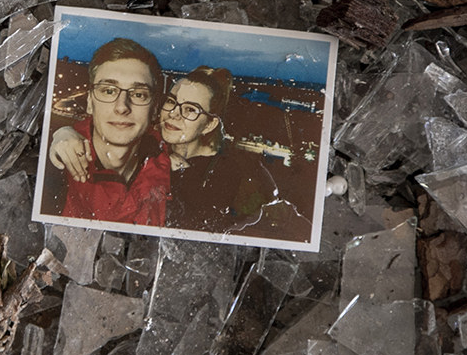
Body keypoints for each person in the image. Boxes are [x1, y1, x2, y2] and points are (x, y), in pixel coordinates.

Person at [52, 67, 299, 239]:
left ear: (211, 124)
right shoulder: (149, 145)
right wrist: (64, 133)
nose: (175, 114)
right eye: (171, 102)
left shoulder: (234, 173)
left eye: (191, 109)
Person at [42, 37, 170, 229]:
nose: (122, 107)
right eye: (108, 91)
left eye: (138, 94)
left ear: (154, 109)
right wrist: (57, 133)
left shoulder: (169, 161)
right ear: (89, 103)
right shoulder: (55, 170)